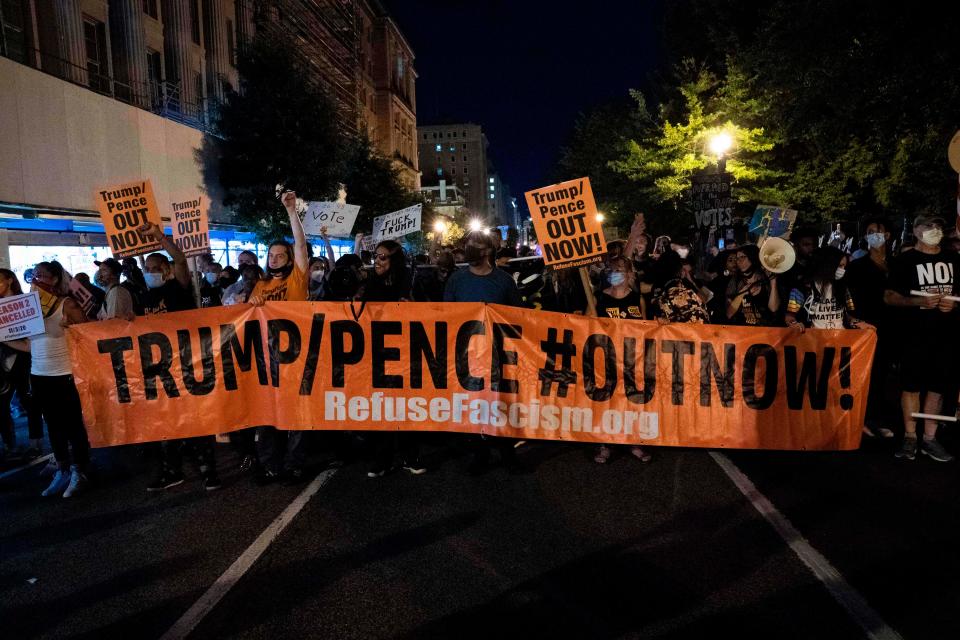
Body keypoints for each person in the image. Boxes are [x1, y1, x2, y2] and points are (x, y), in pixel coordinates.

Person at [137, 222, 222, 490]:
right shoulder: (146, 297)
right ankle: (171, 471)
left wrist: (158, 236)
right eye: (146, 270)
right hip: (161, 369)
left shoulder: (178, 287)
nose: (150, 273)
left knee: (195, 419)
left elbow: (180, 258)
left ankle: (208, 470)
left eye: (154, 269)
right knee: (166, 422)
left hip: (186, 363)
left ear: (166, 270)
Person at [7, 262, 91, 497]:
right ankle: (62, 469)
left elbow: (91, 336)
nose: (36, 280)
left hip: (65, 374)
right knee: (53, 425)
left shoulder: (68, 305)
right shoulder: (31, 311)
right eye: (33, 275)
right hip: (40, 375)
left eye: (41, 275)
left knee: (73, 425)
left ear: (54, 279)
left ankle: (80, 470)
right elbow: (29, 346)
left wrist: (73, 329)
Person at [444, 232, 523, 473]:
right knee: (475, 405)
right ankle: (480, 453)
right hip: (467, 356)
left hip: (499, 354)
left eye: (474, 245)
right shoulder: (456, 280)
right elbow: (445, 314)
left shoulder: (504, 281)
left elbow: (517, 315)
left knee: (502, 403)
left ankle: (507, 453)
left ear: (487, 250)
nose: (468, 248)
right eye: (467, 244)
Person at [884, 213, 960, 462]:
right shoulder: (904, 261)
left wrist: (954, 305)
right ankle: (910, 436)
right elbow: (889, 296)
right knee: (911, 386)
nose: (935, 229)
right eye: (929, 226)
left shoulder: (954, 259)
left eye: (939, 226)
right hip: (914, 336)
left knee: (937, 389)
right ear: (916, 231)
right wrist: (917, 301)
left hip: (945, 336)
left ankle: (930, 438)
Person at [249, 190, 310, 485]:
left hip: (296, 356)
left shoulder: (297, 279)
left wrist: (291, 211)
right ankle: (270, 465)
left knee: (296, 413)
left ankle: (294, 463)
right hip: (266, 359)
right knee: (267, 413)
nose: (274, 259)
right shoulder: (259, 286)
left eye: (280, 255)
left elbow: (300, 243)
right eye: (270, 256)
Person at [361, 240, 425, 478]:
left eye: (383, 257)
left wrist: (414, 307)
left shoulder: (411, 282)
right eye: (375, 256)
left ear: (394, 260)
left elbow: (433, 311)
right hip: (378, 353)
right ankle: (382, 459)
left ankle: (411, 455)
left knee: (406, 406)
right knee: (381, 407)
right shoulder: (371, 283)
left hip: (406, 352)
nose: (376, 261)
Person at [592, 255, 653, 464]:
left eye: (620, 269)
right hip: (607, 362)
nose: (615, 273)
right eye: (611, 269)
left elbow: (647, 328)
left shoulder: (637, 300)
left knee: (632, 403)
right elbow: (585, 327)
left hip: (632, 362)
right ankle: (605, 444)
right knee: (608, 403)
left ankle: (633, 442)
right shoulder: (598, 299)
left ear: (629, 274)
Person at [847, 218, 896, 438]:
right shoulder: (857, 267)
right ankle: (869, 419)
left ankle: (887, 416)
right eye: (869, 232)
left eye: (877, 230)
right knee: (871, 375)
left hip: (894, 327)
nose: (873, 235)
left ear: (887, 235)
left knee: (887, 375)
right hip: (868, 329)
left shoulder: (897, 265)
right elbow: (849, 300)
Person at [0, 269, 44, 458]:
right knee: (1, 405)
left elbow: (31, 341)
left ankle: (36, 444)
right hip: (2, 364)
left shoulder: (25, 303)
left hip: (23, 361)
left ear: (9, 280)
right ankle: (10, 444)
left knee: (30, 403)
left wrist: (6, 340)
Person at [785, 247, 860, 330]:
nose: (842, 270)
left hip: (840, 340)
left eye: (844, 267)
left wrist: (857, 323)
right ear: (827, 265)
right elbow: (789, 317)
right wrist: (794, 324)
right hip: (814, 340)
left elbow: (848, 314)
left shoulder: (842, 287)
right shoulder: (802, 288)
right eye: (839, 266)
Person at [725, 245, 780, 326]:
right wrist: (742, 293)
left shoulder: (765, 278)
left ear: (752, 257)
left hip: (765, 331)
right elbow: (729, 314)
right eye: (737, 258)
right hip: (743, 332)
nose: (739, 261)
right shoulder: (735, 280)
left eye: (742, 257)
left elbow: (774, 308)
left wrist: (773, 281)